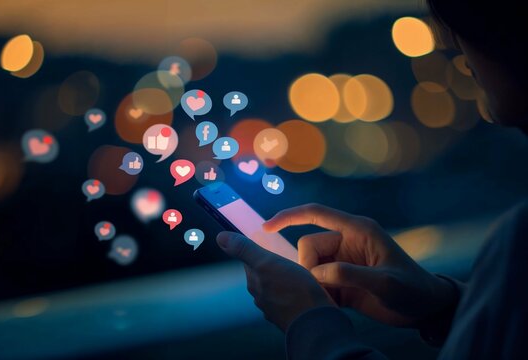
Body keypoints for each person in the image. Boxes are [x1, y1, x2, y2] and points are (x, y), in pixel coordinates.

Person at [216, 1, 528, 359]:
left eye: (467, 25)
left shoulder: (517, 244)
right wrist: (437, 305)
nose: (458, 47)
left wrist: (312, 326)